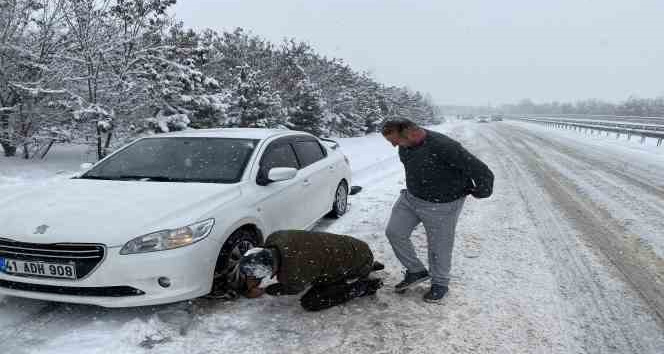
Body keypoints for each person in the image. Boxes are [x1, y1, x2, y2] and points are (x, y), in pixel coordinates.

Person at [381, 118, 493, 303]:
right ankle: (416, 271)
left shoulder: (444, 146)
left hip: (443, 205)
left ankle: (440, 282)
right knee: (394, 232)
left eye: (395, 140)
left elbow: (481, 170)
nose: (394, 145)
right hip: (411, 198)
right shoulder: (406, 145)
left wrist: (482, 190)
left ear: (410, 133)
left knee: (439, 246)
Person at [237, 230, 384, 311]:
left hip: (355, 261)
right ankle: (366, 265)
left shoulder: (295, 272)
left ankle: (364, 286)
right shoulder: (275, 237)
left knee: (311, 302)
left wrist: (265, 290)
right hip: (355, 248)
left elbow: (293, 288)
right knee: (323, 261)